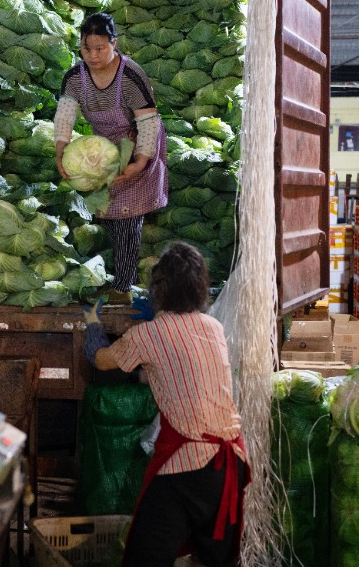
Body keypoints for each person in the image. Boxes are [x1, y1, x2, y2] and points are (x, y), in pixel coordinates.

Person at [83, 242, 246, 567]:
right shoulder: (213, 327)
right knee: (214, 561)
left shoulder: (150, 334)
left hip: (188, 467)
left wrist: (92, 324)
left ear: (160, 289)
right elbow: (178, 371)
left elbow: (101, 361)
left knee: (144, 558)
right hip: (230, 466)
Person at [54, 11, 168, 303]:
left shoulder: (130, 76)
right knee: (111, 217)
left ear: (114, 44)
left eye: (100, 48)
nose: (92, 55)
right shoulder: (75, 77)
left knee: (129, 219)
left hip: (137, 144)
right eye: (86, 48)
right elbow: (65, 116)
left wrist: (141, 162)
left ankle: (124, 288)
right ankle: (121, 279)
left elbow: (147, 121)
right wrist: (60, 148)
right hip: (105, 152)